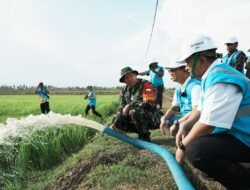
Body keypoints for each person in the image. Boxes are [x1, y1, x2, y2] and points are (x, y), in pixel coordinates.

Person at [175, 35, 250, 189]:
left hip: (246, 137)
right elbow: (200, 110)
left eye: (188, 62)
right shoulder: (210, 76)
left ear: (201, 60)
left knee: (196, 151)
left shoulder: (221, 79)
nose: (186, 68)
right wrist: (184, 126)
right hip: (239, 132)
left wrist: (182, 147)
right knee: (189, 132)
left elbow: (207, 124)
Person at [111, 66, 163, 142]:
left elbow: (148, 102)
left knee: (134, 111)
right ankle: (137, 132)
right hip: (136, 118)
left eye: (130, 76)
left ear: (135, 75)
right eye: (126, 78)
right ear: (124, 81)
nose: (129, 79)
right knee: (116, 119)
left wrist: (129, 105)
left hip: (153, 117)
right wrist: (117, 120)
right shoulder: (123, 90)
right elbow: (122, 105)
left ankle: (144, 137)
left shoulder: (146, 84)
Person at [160, 60, 201, 136]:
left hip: (195, 119)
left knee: (182, 124)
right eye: (169, 71)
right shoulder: (179, 87)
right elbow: (175, 107)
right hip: (185, 117)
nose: (170, 73)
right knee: (167, 119)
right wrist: (164, 118)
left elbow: (196, 111)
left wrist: (177, 123)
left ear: (184, 70)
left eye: (172, 70)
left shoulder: (195, 87)